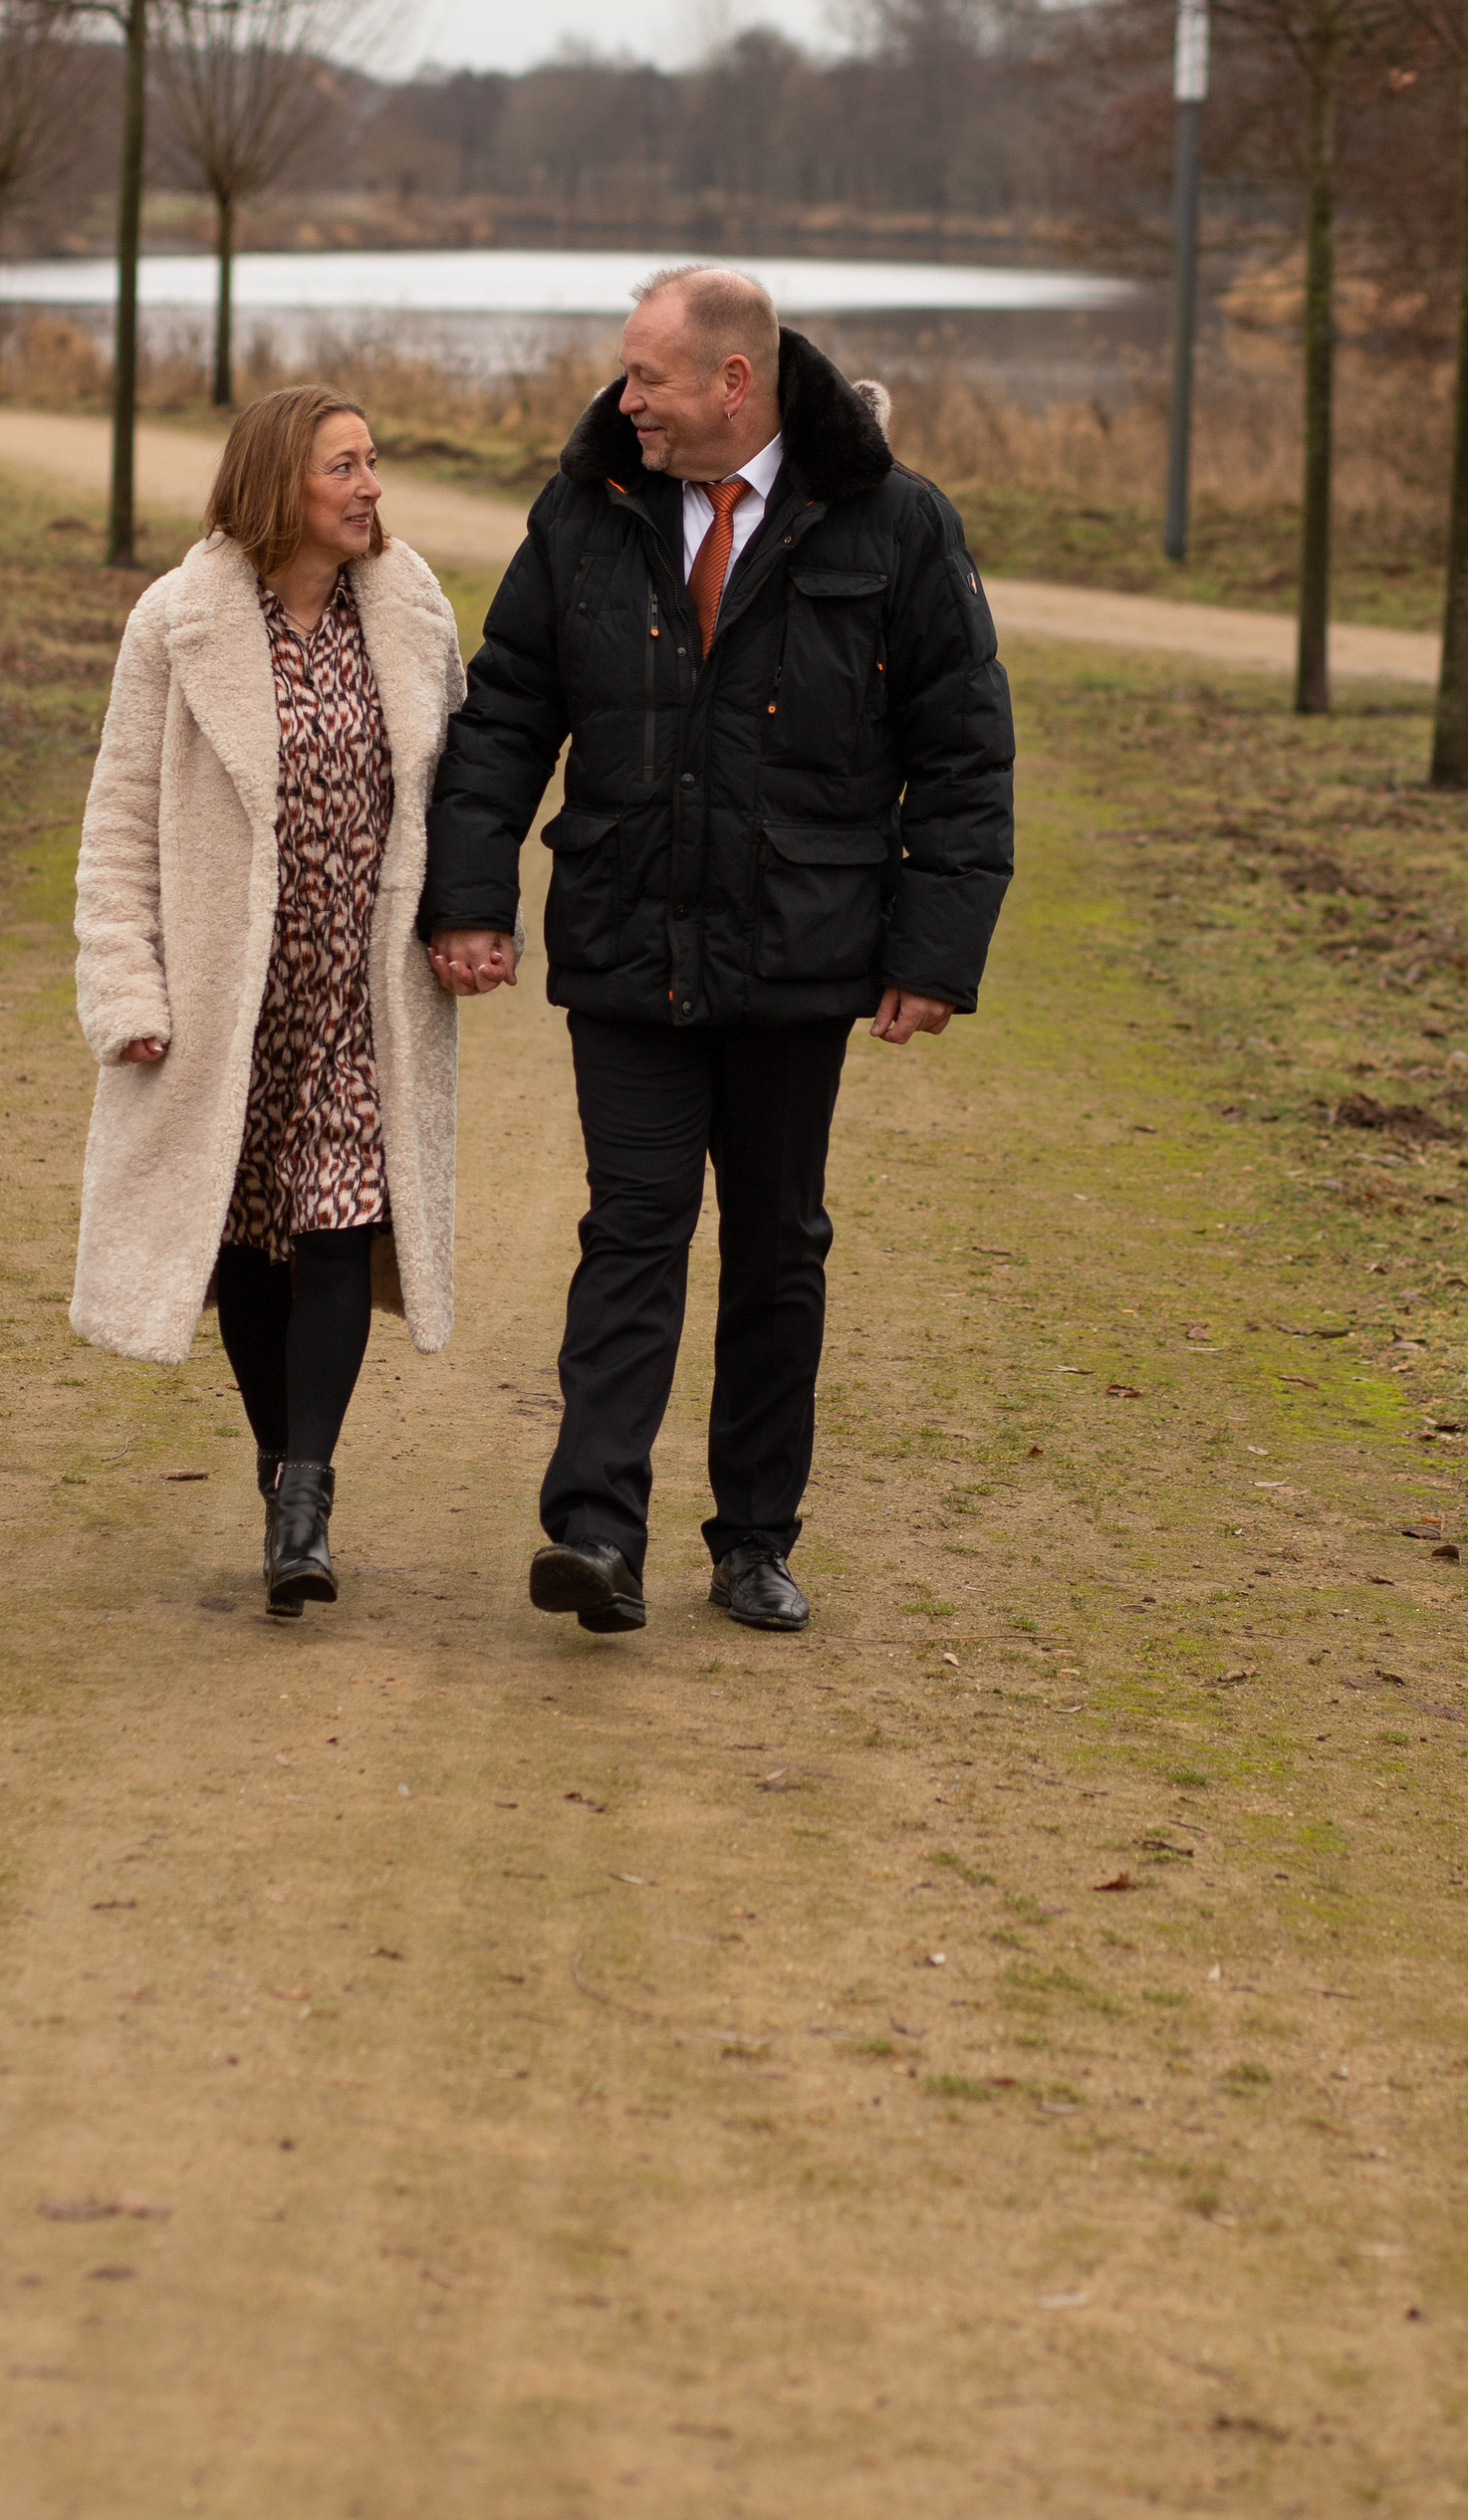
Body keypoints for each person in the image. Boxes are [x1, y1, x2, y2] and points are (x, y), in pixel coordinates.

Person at [420, 264, 1014, 1638]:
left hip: (802, 951)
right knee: (630, 1227)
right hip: (628, 936)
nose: (625, 399)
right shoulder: (587, 510)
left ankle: (753, 1538)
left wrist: (932, 949)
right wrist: (471, 896)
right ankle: (596, 1532)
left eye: (650, 377)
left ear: (733, 383)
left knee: (775, 1247)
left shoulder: (897, 524)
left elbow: (963, 751)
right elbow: (507, 713)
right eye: (627, 374)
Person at [71, 385, 465, 1619]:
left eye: (373, 464)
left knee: (340, 1222)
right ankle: (277, 1455)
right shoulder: (178, 620)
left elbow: (461, 799)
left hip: (361, 988)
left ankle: (306, 1494)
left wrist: (468, 921)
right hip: (226, 998)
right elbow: (121, 815)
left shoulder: (409, 609)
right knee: (251, 1238)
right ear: (276, 487)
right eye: (345, 468)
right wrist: (123, 984)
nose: (371, 487)